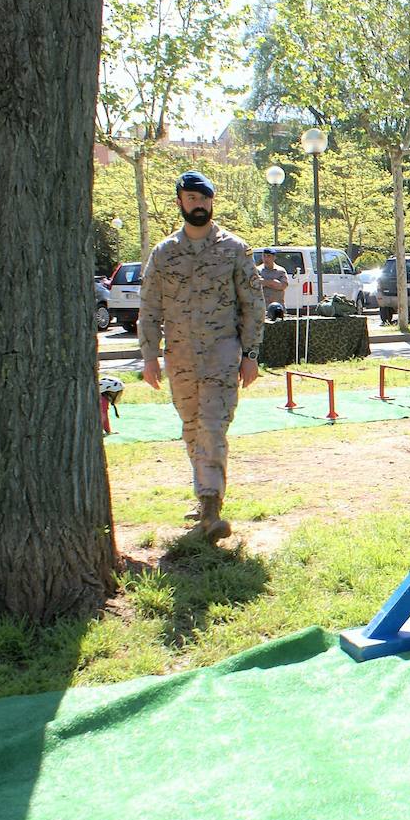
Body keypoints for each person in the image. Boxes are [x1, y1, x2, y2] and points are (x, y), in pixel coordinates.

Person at [139, 170, 264, 543]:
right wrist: (149, 357)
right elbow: (149, 308)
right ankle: (204, 496)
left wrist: (251, 353)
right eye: (191, 198)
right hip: (179, 358)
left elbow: (252, 305)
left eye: (204, 198)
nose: (198, 204)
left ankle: (211, 507)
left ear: (212, 202)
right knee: (192, 428)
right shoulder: (163, 254)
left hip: (221, 355)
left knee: (212, 426)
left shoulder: (234, 249)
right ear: (180, 202)